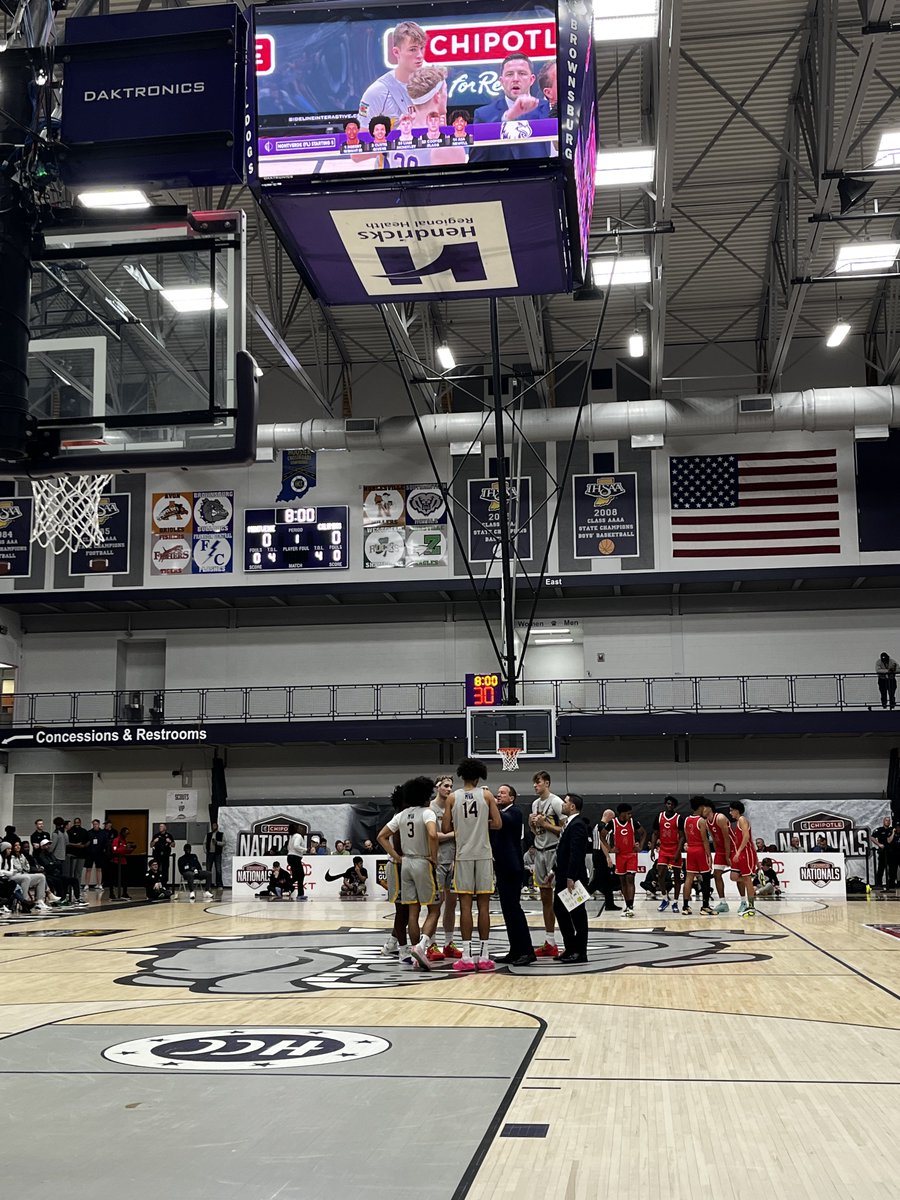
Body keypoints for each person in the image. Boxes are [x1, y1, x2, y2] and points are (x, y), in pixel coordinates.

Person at [443, 757, 503, 972]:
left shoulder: (452, 797)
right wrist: (482, 821)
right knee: (484, 906)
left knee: (465, 906)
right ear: (479, 776)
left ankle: (467, 956)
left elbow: (446, 825)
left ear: (462, 775)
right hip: (484, 854)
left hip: (463, 855)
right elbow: (497, 824)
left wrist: (463, 823)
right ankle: (484, 955)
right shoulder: (486, 795)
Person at [378, 775, 443, 970]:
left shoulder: (401, 815)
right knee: (434, 908)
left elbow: (381, 836)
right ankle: (422, 946)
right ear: (426, 796)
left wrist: (397, 858)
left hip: (405, 864)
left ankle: (413, 953)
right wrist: (434, 855)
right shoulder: (428, 813)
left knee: (411, 912)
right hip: (422, 862)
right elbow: (432, 834)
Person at [471, 54, 552, 163]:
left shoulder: (548, 109)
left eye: (522, 73)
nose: (515, 79)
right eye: (509, 74)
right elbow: (475, 164)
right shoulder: (483, 115)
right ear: (502, 81)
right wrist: (508, 117)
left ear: (532, 79)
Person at [490, 783, 535, 966]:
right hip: (501, 866)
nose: (498, 795)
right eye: (497, 793)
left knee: (514, 910)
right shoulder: (498, 813)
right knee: (508, 911)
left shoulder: (515, 812)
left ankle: (527, 951)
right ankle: (515, 950)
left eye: (502, 793)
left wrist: (490, 803)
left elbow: (502, 820)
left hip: (512, 867)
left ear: (512, 797)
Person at [357, 20, 426, 124]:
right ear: (396, 52)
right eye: (413, 49)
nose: (420, 55)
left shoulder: (433, 87)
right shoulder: (376, 93)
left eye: (422, 48)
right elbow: (363, 135)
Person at [529, 770, 566, 956]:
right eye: (534, 783)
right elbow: (538, 831)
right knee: (545, 897)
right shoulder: (535, 804)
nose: (535, 785)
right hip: (540, 851)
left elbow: (566, 830)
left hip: (554, 851)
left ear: (547, 783)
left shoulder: (557, 802)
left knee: (562, 897)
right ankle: (549, 941)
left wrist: (546, 825)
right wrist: (532, 825)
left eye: (539, 782)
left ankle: (569, 938)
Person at [552, 794, 591, 963]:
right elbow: (563, 852)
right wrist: (553, 871)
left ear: (572, 807)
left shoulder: (578, 825)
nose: (563, 804)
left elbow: (576, 853)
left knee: (577, 915)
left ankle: (580, 952)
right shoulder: (568, 824)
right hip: (562, 875)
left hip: (573, 878)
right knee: (559, 910)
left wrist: (571, 877)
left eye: (565, 802)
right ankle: (570, 947)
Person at [380, 784, 413, 965]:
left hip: (406, 865)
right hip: (397, 865)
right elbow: (398, 845)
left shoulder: (407, 816)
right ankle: (403, 950)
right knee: (402, 910)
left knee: (407, 910)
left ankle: (391, 943)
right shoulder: (400, 818)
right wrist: (398, 858)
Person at [431, 775, 461, 958]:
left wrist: (456, 857)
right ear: (437, 787)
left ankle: (449, 942)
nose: (449, 789)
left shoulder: (454, 807)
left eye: (451, 786)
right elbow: (433, 835)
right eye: (446, 786)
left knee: (452, 903)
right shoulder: (430, 808)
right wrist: (454, 833)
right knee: (436, 903)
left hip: (453, 859)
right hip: (437, 859)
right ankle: (431, 942)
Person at [604, 803, 645, 918]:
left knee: (630, 879)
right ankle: (627, 905)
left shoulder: (633, 823)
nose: (630, 815)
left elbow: (643, 833)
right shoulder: (613, 823)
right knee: (623, 882)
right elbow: (602, 835)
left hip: (631, 854)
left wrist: (640, 846)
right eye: (628, 813)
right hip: (620, 856)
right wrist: (610, 848)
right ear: (621, 814)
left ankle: (631, 906)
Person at [649, 796, 684, 913]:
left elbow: (682, 836)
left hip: (675, 848)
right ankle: (665, 899)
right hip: (663, 849)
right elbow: (655, 833)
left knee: (677, 877)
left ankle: (675, 902)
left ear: (675, 806)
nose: (670, 806)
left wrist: (678, 852)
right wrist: (653, 848)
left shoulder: (679, 818)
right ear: (665, 804)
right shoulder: (659, 817)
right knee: (660, 874)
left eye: (672, 804)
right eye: (668, 803)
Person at [681, 797, 714, 916]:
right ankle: (705, 906)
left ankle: (685, 906)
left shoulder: (686, 820)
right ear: (701, 807)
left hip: (690, 850)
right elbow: (705, 840)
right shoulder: (701, 821)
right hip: (700, 850)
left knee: (689, 878)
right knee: (706, 877)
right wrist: (709, 856)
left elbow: (686, 836)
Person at [701, 802, 733, 914]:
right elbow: (714, 839)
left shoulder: (720, 817)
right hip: (720, 850)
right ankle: (723, 903)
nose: (702, 810)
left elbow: (727, 838)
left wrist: (728, 855)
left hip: (732, 848)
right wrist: (717, 852)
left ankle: (745, 901)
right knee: (716, 875)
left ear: (709, 808)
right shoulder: (706, 822)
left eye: (703, 807)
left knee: (739, 875)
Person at [729, 800, 758, 917]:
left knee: (746, 879)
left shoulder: (742, 820)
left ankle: (751, 907)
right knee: (734, 876)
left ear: (737, 810)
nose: (730, 812)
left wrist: (739, 851)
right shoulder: (738, 822)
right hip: (740, 853)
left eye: (731, 810)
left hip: (746, 853)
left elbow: (746, 837)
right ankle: (751, 882)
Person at [3, 839, 51, 910]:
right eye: (16, 845)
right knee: (26, 878)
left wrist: (23, 867)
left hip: (23, 874)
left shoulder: (22, 855)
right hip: (13, 876)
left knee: (41, 876)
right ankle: (24, 901)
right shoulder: (10, 857)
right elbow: (17, 869)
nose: (18, 847)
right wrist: (22, 868)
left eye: (19, 845)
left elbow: (27, 867)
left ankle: (39, 901)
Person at [588, 808, 620, 913]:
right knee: (598, 880)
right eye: (613, 818)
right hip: (600, 854)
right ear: (609, 817)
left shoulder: (597, 826)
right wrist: (608, 857)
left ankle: (610, 904)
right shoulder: (601, 827)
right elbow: (602, 843)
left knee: (607, 881)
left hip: (598, 854)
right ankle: (581, 897)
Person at [83, 819, 107, 891]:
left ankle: (99, 884)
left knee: (99, 869)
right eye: (94, 824)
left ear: (99, 824)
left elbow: (105, 843)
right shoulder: (89, 833)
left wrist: (103, 850)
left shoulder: (103, 833)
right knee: (88, 869)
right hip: (90, 853)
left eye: (96, 824)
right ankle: (86, 884)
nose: (95, 825)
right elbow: (86, 842)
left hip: (99, 853)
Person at [65, 817, 89, 891]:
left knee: (78, 873)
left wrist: (84, 845)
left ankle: (77, 888)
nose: (77, 823)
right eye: (75, 822)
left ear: (80, 822)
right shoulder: (69, 831)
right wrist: (77, 845)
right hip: (72, 855)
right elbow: (67, 843)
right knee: (71, 873)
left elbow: (88, 841)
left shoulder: (84, 831)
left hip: (82, 855)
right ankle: (69, 888)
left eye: (78, 822)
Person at [109, 826, 132, 900]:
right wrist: (124, 848)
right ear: (122, 832)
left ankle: (124, 893)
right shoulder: (117, 840)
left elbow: (124, 850)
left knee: (125, 878)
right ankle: (111, 893)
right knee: (113, 878)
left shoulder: (124, 841)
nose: (127, 835)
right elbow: (114, 850)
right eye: (126, 833)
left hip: (123, 861)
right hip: (116, 861)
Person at [286, 823, 306, 900]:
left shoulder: (292, 837)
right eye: (299, 827)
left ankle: (285, 886)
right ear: (297, 829)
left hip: (290, 857)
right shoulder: (298, 836)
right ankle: (300, 894)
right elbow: (296, 846)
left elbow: (289, 847)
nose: (301, 828)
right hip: (295, 857)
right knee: (301, 876)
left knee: (295, 876)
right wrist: (305, 849)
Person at [206, 821, 225, 891]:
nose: (213, 827)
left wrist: (217, 842)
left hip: (217, 854)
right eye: (212, 826)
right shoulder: (208, 835)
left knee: (218, 870)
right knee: (208, 870)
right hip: (210, 853)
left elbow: (224, 843)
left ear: (217, 827)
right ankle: (208, 885)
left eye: (215, 826)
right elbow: (204, 843)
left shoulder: (221, 834)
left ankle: (219, 884)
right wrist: (206, 851)